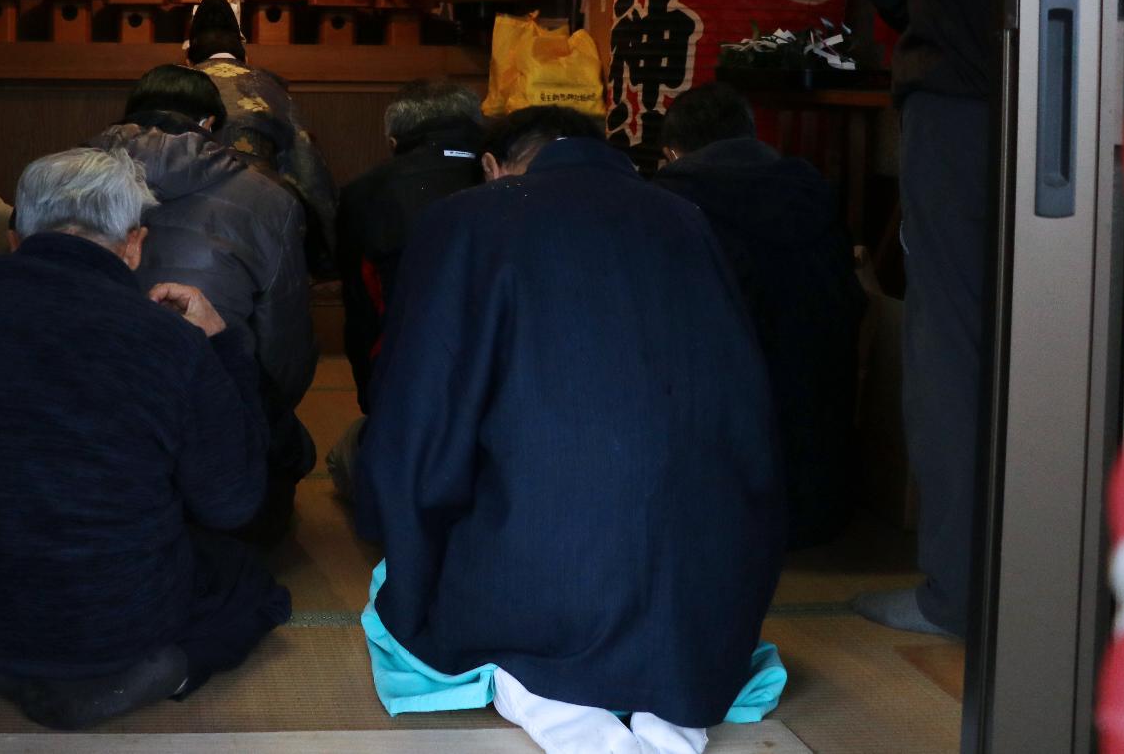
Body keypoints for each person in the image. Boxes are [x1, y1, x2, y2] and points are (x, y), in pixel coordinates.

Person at [357, 106, 784, 753]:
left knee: (419, 572)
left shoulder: (468, 219)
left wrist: (405, 543)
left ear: (496, 166)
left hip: (545, 582)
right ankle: (666, 698)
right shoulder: (687, 220)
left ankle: (568, 701)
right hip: (699, 593)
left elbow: (421, 429)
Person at [0, 147, 292, 730]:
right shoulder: (168, 340)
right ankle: (169, 670)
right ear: (134, 242)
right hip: (113, 627)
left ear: (17, 236)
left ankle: (13, 667)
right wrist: (221, 345)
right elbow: (233, 502)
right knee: (250, 579)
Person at [849, 0, 997, 639]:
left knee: (950, 338)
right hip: (1102, 98)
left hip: (959, 90)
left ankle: (954, 588)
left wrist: (937, 19)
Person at [92, 65, 316, 537]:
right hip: (215, 437)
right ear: (211, 125)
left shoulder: (61, 179)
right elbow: (284, 352)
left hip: (92, 441)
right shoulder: (271, 198)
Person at [653, 82, 865, 549]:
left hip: (719, 519)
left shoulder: (668, 205)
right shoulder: (812, 194)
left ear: (672, 151)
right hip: (821, 505)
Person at [327, 79, 485, 502]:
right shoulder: (514, 175)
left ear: (395, 139)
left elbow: (361, 309)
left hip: (409, 384)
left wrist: (371, 396)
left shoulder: (366, 193)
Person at [185, 0, 338, 268]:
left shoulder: (174, 84)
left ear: (188, 57)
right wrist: (328, 249)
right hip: (259, 211)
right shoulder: (270, 88)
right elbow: (307, 168)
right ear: (245, 55)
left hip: (188, 216)